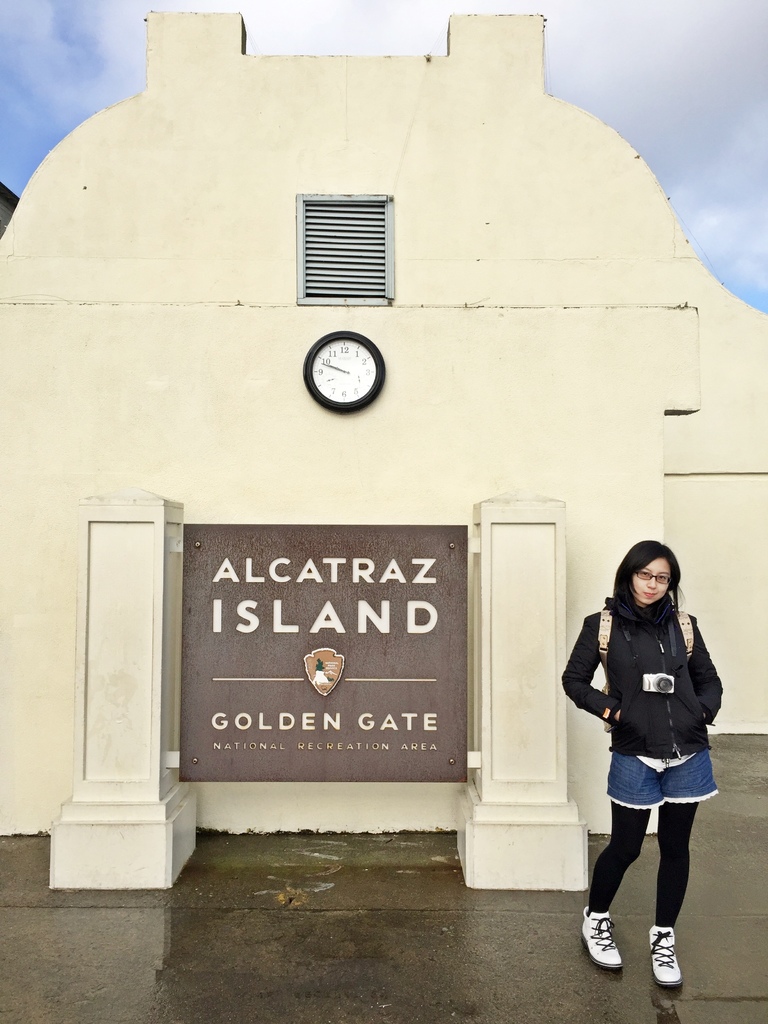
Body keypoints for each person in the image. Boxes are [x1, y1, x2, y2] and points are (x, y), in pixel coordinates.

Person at [562, 540, 722, 987]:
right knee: (626, 847)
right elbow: (574, 680)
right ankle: (596, 918)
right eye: (644, 575)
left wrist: (701, 711)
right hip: (634, 752)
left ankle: (664, 937)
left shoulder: (684, 627)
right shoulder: (603, 626)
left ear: (670, 583)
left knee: (675, 849)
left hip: (688, 753)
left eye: (662, 578)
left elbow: (709, 681)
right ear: (628, 575)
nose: (652, 585)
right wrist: (614, 712)